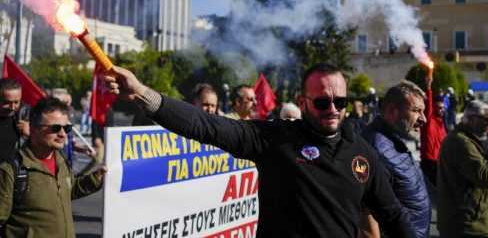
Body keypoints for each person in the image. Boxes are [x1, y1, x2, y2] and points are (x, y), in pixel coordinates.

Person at [104, 63, 416, 238]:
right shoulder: (275, 139)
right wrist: (144, 94)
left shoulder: (363, 154)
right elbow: (207, 126)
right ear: (303, 102)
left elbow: (392, 215)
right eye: (322, 101)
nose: (332, 108)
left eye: (340, 101)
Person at [0, 97, 106, 237]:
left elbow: (68, 190)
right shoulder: (11, 170)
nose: (63, 134)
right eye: (55, 128)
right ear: (34, 130)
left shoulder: (61, 160)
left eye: (67, 128)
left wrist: (96, 178)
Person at [360, 80, 431, 238]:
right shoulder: (374, 148)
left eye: (423, 111)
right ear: (392, 111)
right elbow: (366, 216)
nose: (423, 119)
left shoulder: (394, 140)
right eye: (416, 111)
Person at [437, 100, 488, 238]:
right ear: (471, 119)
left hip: (473, 221)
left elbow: (474, 176)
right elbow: (485, 176)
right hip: (466, 226)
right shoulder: (460, 142)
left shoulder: (470, 140)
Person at [420, 75, 447, 188]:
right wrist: (428, 87)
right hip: (429, 161)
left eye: (443, 108)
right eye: (439, 108)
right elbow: (428, 106)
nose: (442, 110)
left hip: (440, 161)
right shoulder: (429, 120)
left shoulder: (442, 125)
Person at [0, 78, 30, 162]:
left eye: (16, 102)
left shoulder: (26, 117)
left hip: (15, 172)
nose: (12, 107)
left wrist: (29, 135)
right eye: (7, 103)